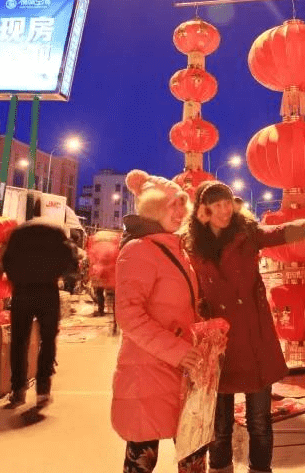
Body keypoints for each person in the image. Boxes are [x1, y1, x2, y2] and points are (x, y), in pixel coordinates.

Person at [182, 181, 305, 473]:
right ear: (203, 211)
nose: (224, 210)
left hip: (255, 338)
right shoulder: (192, 244)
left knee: (259, 421)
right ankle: (221, 468)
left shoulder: (246, 234)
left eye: (227, 203)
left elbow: (279, 232)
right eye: (216, 206)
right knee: (219, 426)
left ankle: (260, 469)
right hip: (219, 344)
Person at [112, 169, 206, 473]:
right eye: (171, 206)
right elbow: (129, 315)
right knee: (141, 459)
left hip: (183, 370)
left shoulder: (176, 249)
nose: (179, 213)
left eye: (182, 205)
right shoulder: (139, 250)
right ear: (153, 208)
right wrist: (178, 351)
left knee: (193, 455)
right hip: (148, 371)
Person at [1, 196, 76, 408]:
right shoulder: (55, 231)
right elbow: (69, 259)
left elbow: (7, 260)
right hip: (47, 291)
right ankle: (43, 389)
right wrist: (57, 275)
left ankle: (18, 389)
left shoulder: (18, 232)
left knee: (19, 342)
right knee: (48, 340)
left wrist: (17, 280)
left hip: (22, 292)